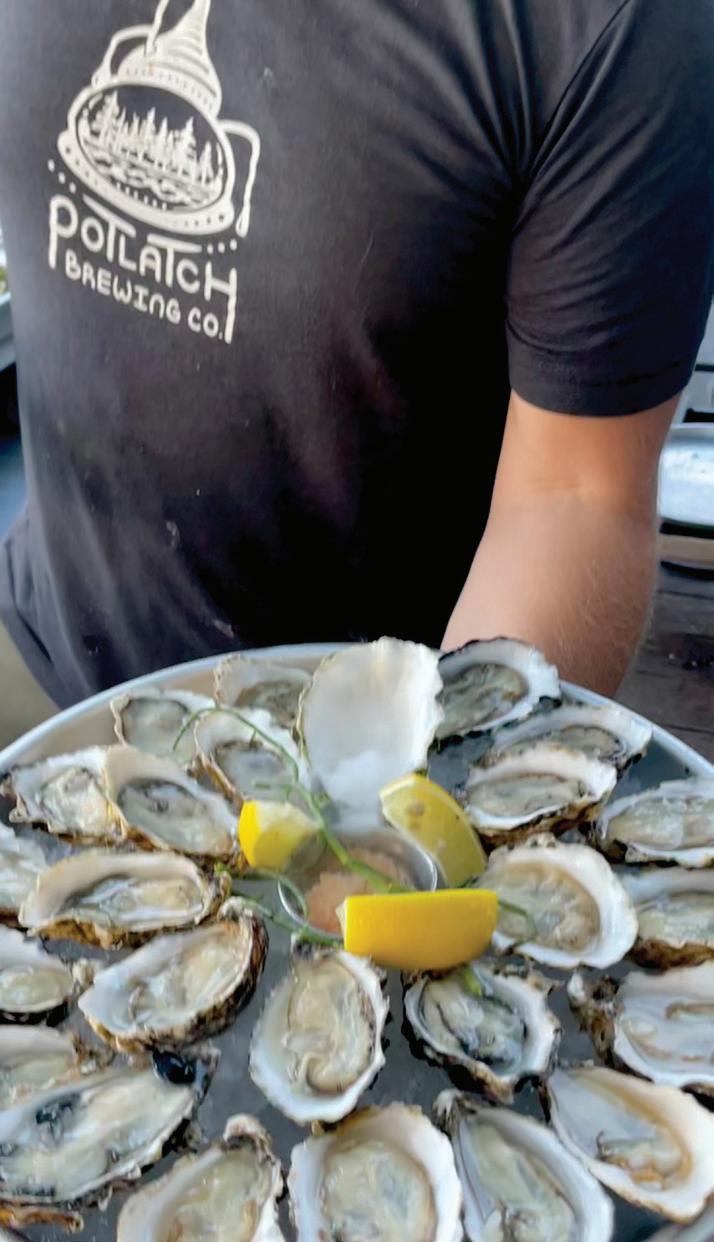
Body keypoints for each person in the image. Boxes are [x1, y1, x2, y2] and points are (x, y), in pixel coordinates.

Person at [0, 0, 712, 750]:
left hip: (371, 751)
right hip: (35, 650)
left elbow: (574, 497)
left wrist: (427, 797)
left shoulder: (615, 26)